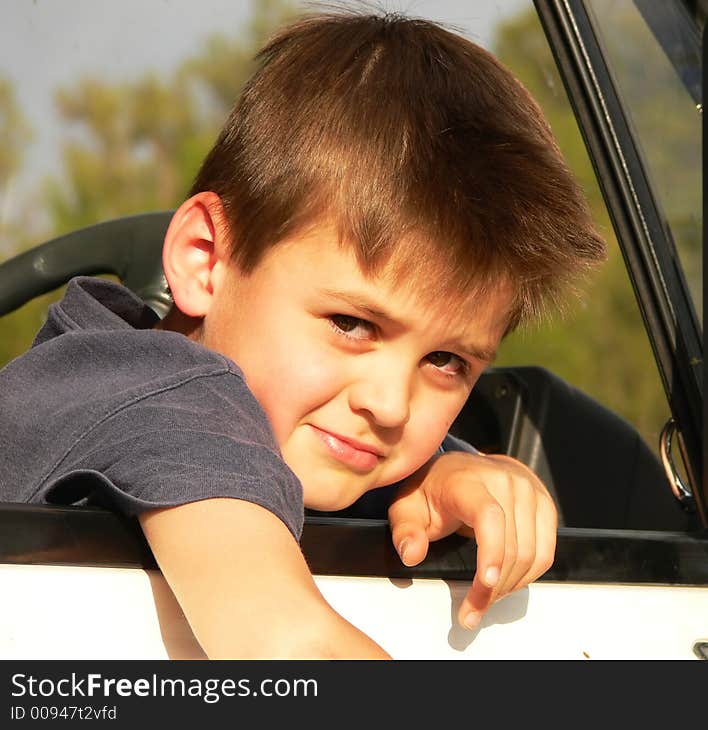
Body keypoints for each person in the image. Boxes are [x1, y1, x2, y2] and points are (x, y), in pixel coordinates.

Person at [0, 10, 605, 658]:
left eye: (447, 361)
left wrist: (441, 467)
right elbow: (290, 651)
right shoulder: (162, 401)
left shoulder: (221, 409)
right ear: (206, 259)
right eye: (352, 324)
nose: (391, 405)